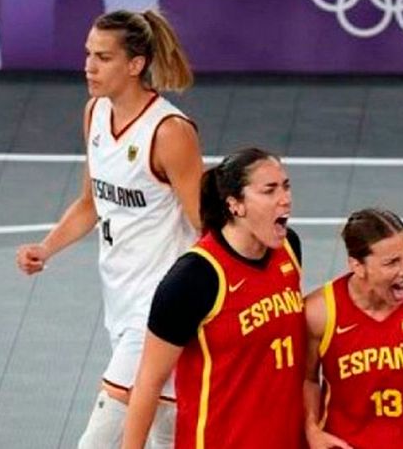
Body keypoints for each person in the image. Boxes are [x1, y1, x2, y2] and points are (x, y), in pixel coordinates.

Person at [15, 9, 201, 449]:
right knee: (166, 434)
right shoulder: (95, 113)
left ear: (135, 65)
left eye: (103, 57)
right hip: (119, 299)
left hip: (160, 306)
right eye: (87, 55)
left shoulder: (169, 132)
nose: (89, 67)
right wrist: (47, 247)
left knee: (97, 440)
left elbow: (204, 224)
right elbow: (90, 202)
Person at [121, 148, 304, 449]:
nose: (285, 198)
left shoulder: (289, 248)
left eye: (286, 186)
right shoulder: (194, 277)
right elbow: (148, 383)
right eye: (269, 190)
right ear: (235, 205)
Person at [303, 208, 403, 449]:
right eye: (392, 263)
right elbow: (307, 379)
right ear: (357, 266)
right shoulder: (320, 311)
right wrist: (312, 430)